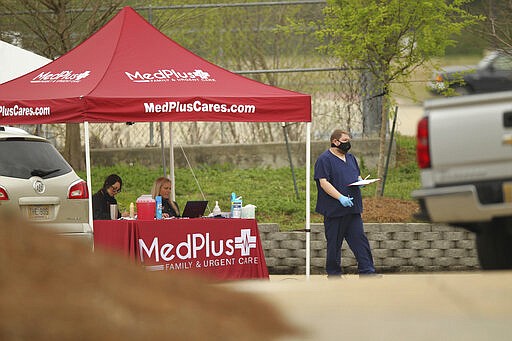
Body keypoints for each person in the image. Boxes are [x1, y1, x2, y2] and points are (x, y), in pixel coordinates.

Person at [314, 129, 377, 278]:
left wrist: (362, 182)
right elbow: (324, 182)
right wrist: (340, 197)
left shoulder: (351, 158)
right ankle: (334, 274)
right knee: (334, 245)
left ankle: (367, 272)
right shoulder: (324, 159)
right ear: (335, 141)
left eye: (349, 140)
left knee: (360, 241)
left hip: (352, 210)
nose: (348, 144)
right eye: (345, 141)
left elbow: (356, 175)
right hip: (335, 211)